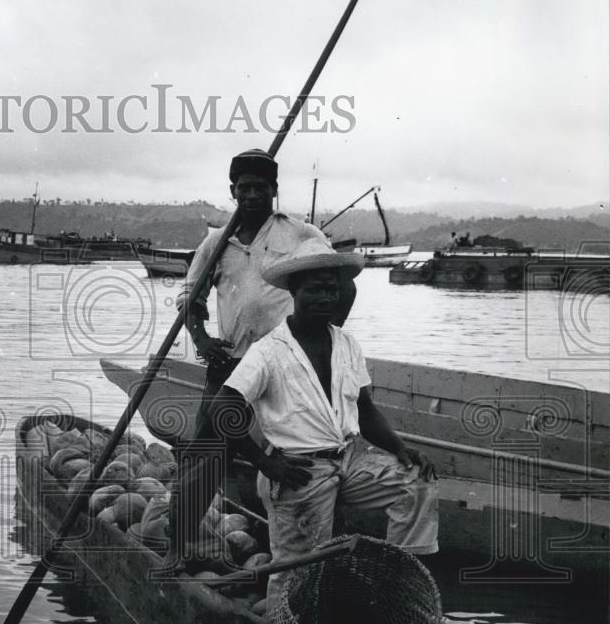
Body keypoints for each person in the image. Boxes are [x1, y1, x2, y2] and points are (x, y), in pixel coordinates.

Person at [167, 237, 438, 580]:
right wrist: (265, 461)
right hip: (300, 471)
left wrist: (401, 449)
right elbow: (222, 411)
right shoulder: (269, 351)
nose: (325, 297)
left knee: (416, 483)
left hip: (349, 460)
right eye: (314, 290)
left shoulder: (347, 344)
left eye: (331, 289)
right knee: (297, 575)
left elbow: (365, 411)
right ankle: (284, 616)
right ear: (294, 292)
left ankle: (397, 582)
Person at [178, 149, 356, 430]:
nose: (251, 195)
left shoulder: (302, 234)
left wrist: (324, 336)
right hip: (231, 362)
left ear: (274, 190)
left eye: (260, 187)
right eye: (243, 188)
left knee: (292, 442)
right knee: (209, 446)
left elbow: (344, 287)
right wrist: (201, 340)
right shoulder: (215, 244)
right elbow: (189, 297)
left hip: (286, 362)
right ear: (232, 191)